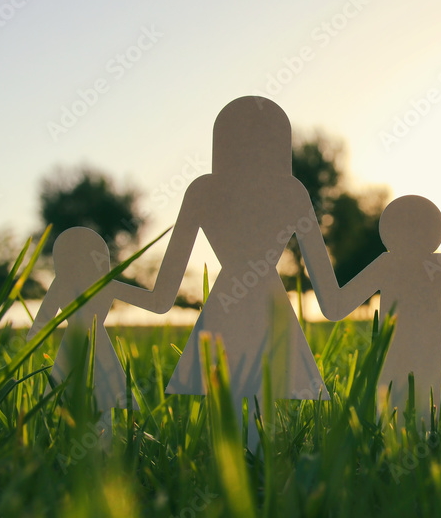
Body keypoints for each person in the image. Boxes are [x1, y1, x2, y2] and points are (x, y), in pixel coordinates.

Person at [113, 96, 340, 450]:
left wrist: (103, 288)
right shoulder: (290, 192)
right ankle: (248, 468)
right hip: (263, 307)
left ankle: (242, 467)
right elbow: (331, 297)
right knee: (249, 396)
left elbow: (161, 298)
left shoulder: (206, 189)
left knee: (240, 397)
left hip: (232, 306)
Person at [321, 195, 441, 425]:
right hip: (409, 356)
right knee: (409, 405)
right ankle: (409, 431)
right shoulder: (431, 266)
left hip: (419, 355)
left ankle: (405, 431)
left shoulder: (396, 265)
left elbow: (336, 307)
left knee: (413, 404)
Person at [27, 227, 140, 442]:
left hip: (77, 348)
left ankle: (95, 444)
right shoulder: (103, 283)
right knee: (95, 398)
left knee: (82, 399)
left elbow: (38, 329)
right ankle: (91, 444)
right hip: (90, 347)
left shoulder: (65, 284)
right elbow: (157, 303)